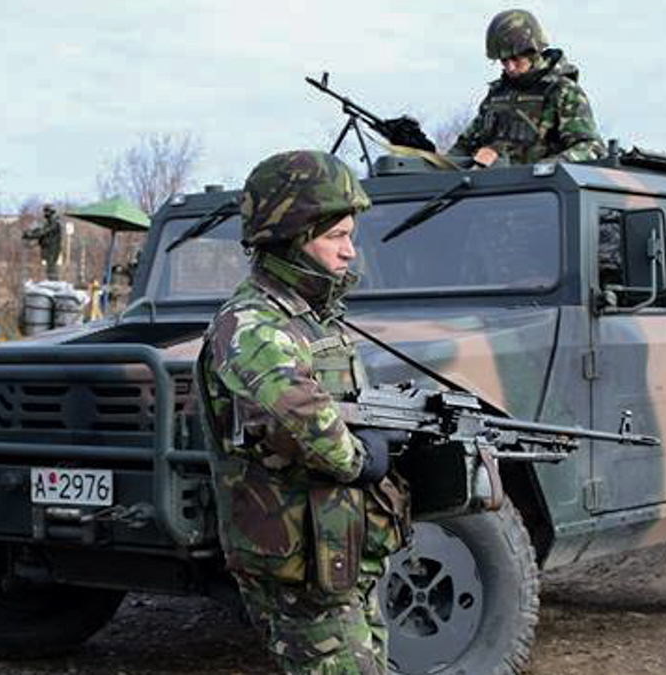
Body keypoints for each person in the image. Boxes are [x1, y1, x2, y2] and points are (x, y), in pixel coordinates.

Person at [195, 150, 410, 675]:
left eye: (350, 236)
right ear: (293, 237)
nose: (350, 251)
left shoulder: (312, 319)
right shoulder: (253, 324)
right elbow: (303, 419)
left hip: (339, 552)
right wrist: (363, 457)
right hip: (298, 561)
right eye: (336, 236)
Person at [449, 9, 606, 167]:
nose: (510, 67)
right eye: (504, 61)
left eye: (516, 59)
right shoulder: (497, 95)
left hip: (543, 181)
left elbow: (591, 148)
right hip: (493, 181)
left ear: (533, 52)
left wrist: (542, 168)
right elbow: (462, 147)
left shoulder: (562, 91)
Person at [22, 204, 65, 281]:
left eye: (47, 211)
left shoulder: (55, 222)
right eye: (45, 211)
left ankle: (53, 281)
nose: (45, 213)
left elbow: (43, 232)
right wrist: (30, 234)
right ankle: (51, 280)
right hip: (47, 247)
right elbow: (40, 231)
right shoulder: (48, 222)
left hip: (52, 248)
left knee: (51, 266)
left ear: (51, 212)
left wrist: (30, 235)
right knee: (49, 266)